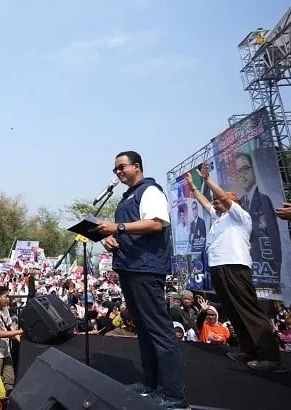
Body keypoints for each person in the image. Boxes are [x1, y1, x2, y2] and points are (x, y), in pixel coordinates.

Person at [98, 151, 187, 409]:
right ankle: (150, 385)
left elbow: (157, 224)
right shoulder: (127, 198)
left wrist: (119, 228)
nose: (118, 172)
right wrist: (111, 240)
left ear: (137, 167)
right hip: (129, 266)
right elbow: (126, 231)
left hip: (146, 269)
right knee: (144, 329)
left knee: (159, 330)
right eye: (115, 169)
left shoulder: (150, 192)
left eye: (122, 167)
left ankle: (172, 394)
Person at [185, 163, 284, 372]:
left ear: (234, 202)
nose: (217, 202)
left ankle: (270, 357)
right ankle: (248, 350)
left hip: (235, 267)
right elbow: (205, 203)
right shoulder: (219, 219)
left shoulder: (240, 217)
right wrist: (194, 188)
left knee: (248, 310)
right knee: (233, 310)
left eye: (223, 199)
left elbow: (222, 198)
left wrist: (207, 180)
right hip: (219, 267)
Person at [234, 152, 281, 284]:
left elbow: (274, 238)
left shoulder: (264, 200)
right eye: (239, 171)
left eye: (245, 169)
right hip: (245, 266)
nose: (242, 174)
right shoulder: (241, 202)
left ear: (253, 170)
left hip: (265, 269)